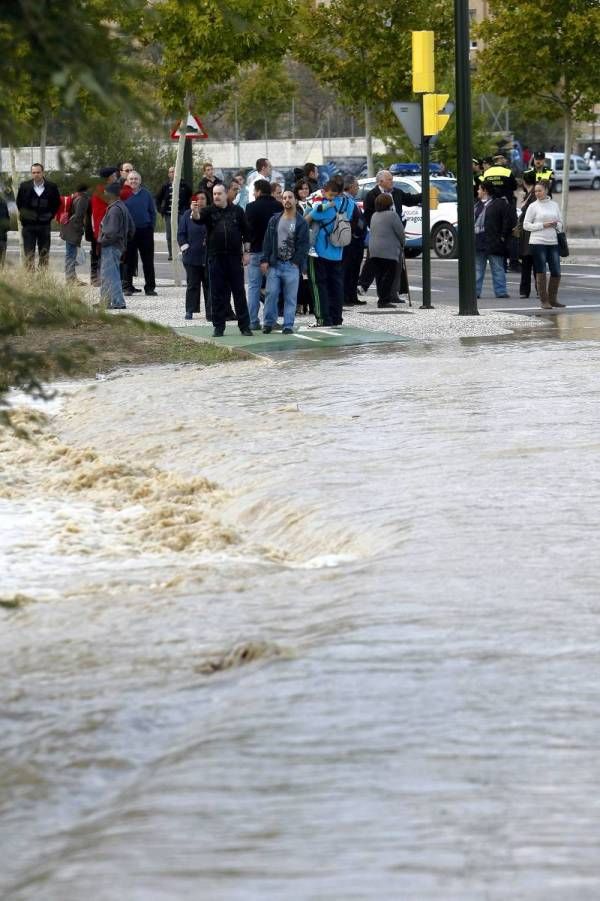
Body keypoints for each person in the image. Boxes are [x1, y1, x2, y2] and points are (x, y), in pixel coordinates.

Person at [191, 183, 253, 337]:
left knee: (239, 292)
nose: (216, 196)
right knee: (216, 294)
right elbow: (198, 219)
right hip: (215, 258)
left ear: (226, 194)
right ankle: (218, 326)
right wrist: (194, 212)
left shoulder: (237, 211)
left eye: (219, 193)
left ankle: (244, 326)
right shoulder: (208, 211)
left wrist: (246, 252)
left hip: (234, 258)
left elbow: (247, 232)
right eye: (214, 194)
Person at [358, 169, 421, 299]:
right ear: (381, 181)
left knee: (395, 267)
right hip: (379, 236)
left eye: (392, 179)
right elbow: (368, 216)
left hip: (394, 237)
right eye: (389, 180)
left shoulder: (396, 193)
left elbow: (410, 199)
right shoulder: (372, 195)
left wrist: (425, 194)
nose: (392, 182)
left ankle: (393, 294)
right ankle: (372, 290)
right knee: (376, 264)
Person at [304, 177, 355, 327]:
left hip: (319, 251)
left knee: (319, 286)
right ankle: (337, 318)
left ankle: (323, 319)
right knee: (337, 286)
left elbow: (306, 220)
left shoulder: (324, 206)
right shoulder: (349, 204)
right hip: (338, 251)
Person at [260, 190, 309, 334]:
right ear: (282, 201)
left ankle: (288, 325)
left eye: (290, 197)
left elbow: (304, 244)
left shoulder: (301, 222)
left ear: (295, 200)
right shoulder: (274, 220)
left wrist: (296, 262)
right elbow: (267, 241)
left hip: (291, 265)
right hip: (275, 264)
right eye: (284, 198)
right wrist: (264, 260)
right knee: (271, 294)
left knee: (291, 298)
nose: (287, 200)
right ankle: (268, 323)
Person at [245, 178, 283, 330]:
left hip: (255, 251)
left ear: (259, 191)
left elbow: (247, 231)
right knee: (272, 288)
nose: (253, 193)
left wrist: (246, 250)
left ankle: (253, 321)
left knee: (254, 287)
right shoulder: (278, 206)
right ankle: (270, 321)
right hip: (273, 253)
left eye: (254, 190)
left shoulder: (250, 207)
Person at [523, 181, 565, 309]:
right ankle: (544, 300)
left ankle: (553, 299)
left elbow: (561, 224)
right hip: (538, 242)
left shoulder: (554, 205)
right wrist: (543, 225)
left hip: (553, 242)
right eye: (535, 191)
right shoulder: (533, 206)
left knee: (556, 271)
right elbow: (526, 225)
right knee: (540, 270)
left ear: (546, 190)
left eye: (540, 190)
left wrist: (555, 224)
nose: (537, 193)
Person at [16, 163, 61, 269]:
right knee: (29, 254)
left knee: (44, 253)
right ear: (31, 173)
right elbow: (19, 203)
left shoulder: (52, 187)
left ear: (43, 173)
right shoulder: (24, 186)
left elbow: (56, 203)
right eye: (33, 172)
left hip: (44, 225)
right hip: (28, 226)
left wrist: (49, 216)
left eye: (38, 172)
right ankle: (29, 279)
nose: (36, 174)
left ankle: (42, 278)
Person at [99, 182, 135, 310]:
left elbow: (111, 232)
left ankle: (118, 302)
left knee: (111, 274)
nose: (103, 194)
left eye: (105, 192)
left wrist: (102, 240)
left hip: (111, 246)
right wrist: (124, 240)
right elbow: (132, 228)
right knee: (107, 274)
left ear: (110, 193)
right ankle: (105, 301)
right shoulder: (122, 207)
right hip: (118, 245)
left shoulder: (114, 210)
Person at [474, 181, 513, 299]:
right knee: (478, 269)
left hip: (494, 242)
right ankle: (475, 292)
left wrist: (502, 236)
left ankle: (501, 292)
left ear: (485, 191)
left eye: (480, 189)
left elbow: (507, 221)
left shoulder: (499, 204)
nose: (478, 191)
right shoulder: (477, 205)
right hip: (479, 242)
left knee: (498, 268)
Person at [368, 193, 406, 308]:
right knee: (389, 276)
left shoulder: (374, 215)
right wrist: (403, 243)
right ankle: (384, 300)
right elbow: (400, 232)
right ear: (389, 204)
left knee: (379, 276)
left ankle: (381, 298)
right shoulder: (392, 215)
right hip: (388, 251)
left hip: (374, 250)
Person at [123, 170, 157, 296]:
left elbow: (152, 212)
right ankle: (127, 286)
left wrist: (151, 227)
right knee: (129, 261)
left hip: (145, 231)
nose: (133, 181)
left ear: (140, 181)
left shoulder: (146, 194)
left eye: (136, 179)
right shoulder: (124, 195)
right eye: (131, 179)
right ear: (127, 181)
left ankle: (150, 287)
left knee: (148, 260)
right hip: (129, 232)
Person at [178, 195, 208, 320]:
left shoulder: (210, 214)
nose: (200, 201)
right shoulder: (186, 215)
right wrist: (186, 249)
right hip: (191, 256)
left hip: (207, 256)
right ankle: (190, 310)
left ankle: (211, 312)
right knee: (192, 285)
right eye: (197, 199)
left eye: (203, 199)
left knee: (209, 285)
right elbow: (181, 234)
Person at [89, 166, 120, 286]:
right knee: (105, 256)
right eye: (114, 175)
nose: (116, 178)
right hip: (105, 228)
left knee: (104, 255)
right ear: (109, 178)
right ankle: (103, 280)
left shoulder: (101, 189)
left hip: (104, 227)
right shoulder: (103, 190)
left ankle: (103, 279)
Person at [155, 165, 192, 261]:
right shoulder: (165, 186)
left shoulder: (184, 185)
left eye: (175, 171)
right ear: (168, 174)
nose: (173, 173)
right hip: (168, 214)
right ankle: (171, 254)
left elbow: (191, 197)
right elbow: (157, 198)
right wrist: (160, 209)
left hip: (182, 214)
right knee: (169, 235)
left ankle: (185, 252)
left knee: (183, 234)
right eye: (171, 171)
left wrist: (188, 210)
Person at [342, 175, 367, 307]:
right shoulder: (345, 200)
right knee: (348, 269)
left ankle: (352, 296)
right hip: (350, 240)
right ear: (350, 186)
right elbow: (347, 219)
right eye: (356, 186)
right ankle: (345, 296)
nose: (357, 188)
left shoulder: (352, 200)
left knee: (354, 269)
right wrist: (354, 233)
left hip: (357, 241)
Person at [59, 183, 89, 283]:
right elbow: (79, 216)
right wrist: (79, 230)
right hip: (73, 230)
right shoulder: (83, 198)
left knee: (70, 254)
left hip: (68, 227)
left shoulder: (75, 196)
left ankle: (71, 277)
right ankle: (70, 279)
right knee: (71, 254)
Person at [516, 171, 537, 298]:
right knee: (527, 263)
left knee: (533, 263)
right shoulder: (529, 195)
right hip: (526, 234)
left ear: (524, 181)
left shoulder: (533, 195)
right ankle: (525, 290)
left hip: (531, 234)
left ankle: (533, 290)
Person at [0, 191, 9, 267]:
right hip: (2, 237)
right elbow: (7, 220)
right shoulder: (3, 203)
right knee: (2, 262)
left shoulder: (4, 203)